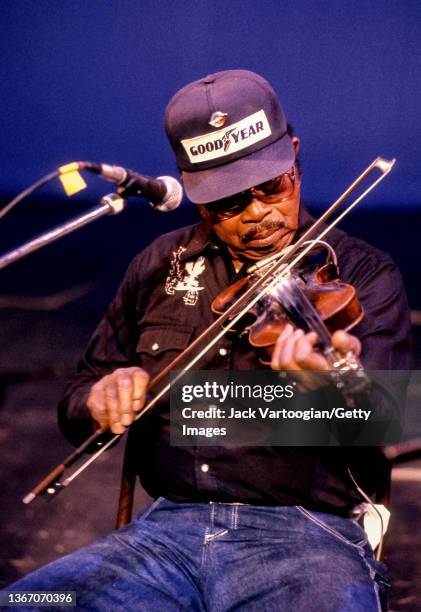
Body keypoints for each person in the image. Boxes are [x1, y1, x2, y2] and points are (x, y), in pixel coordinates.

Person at [6, 70, 411, 611]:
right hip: (161, 537)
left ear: (294, 156)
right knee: (33, 602)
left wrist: (325, 391)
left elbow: (393, 422)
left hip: (306, 539)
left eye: (272, 186)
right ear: (196, 197)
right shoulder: (158, 267)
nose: (256, 213)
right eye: (227, 202)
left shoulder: (361, 273)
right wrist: (98, 397)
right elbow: (79, 396)